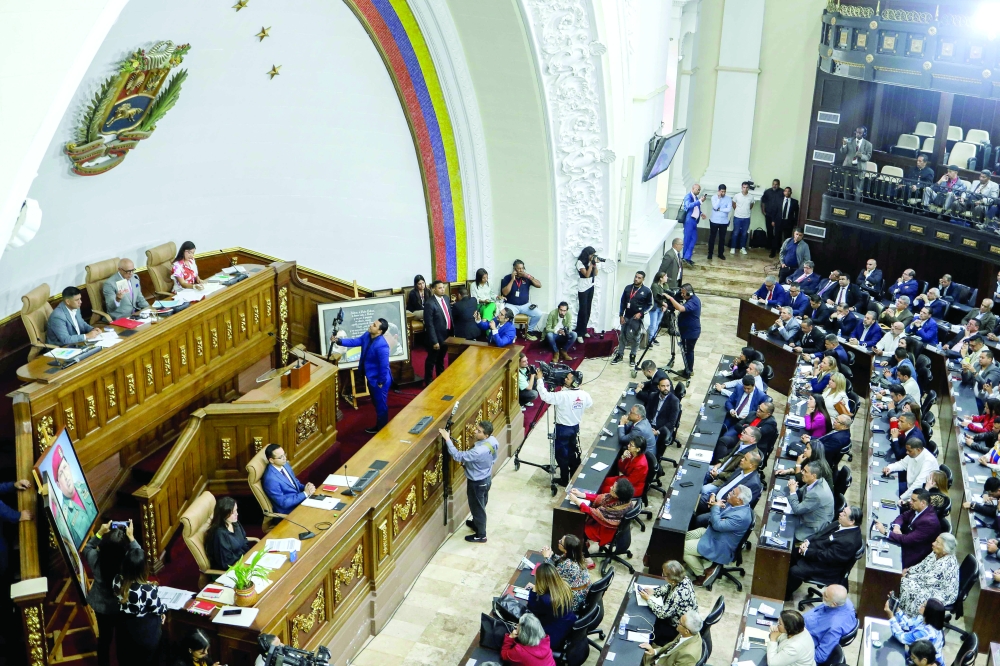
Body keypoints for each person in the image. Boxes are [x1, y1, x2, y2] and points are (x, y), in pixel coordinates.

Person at [84, 521, 135, 666]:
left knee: (104, 639)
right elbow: (139, 554)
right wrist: (131, 538)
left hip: (102, 607)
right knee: (122, 639)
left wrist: (100, 532)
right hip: (121, 605)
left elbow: (88, 547)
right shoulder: (128, 561)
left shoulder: (95, 558)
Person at [440, 421, 498, 543]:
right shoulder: (493, 441)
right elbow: (493, 458)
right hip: (486, 478)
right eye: (477, 429)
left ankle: (481, 535)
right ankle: (476, 523)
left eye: (479, 431)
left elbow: (457, 456)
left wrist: (447, 439)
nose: (475, 432)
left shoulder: (478, 451)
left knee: (477, 509)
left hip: (477, 483)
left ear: (486, 435)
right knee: (481, 504)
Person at [786, 507, 862, 598]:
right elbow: (820, 534)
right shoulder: (840, 523)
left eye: (844, 514)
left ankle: (785, 594)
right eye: (842, 511)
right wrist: (807, 541)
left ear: (851, 521)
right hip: (817, 551)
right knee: (792, 549)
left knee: (795, 571)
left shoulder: (849, 542)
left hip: (825, 568)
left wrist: (807, 551)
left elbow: (827, 557)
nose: (840, 513)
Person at [536, 366, 593, 486]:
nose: (565, 379)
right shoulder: (584, 395)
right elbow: (589, 404)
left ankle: (564, 479)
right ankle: (573, 476)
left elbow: (545, 396)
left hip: (562, 429)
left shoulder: (562, 396)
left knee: (561, 455)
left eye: (568, 378)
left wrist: (540, 380)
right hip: (575, 428)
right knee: (572, 452)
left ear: (575, 382)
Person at [683, 485, 752, 582]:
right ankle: (701, 562)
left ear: (739, 500)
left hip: (718, 544)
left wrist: (715, 507)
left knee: (682, 547)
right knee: (682, 537)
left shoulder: (740, 517)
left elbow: (717, 525)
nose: (729, 493)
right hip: (713, 533)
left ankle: (702, 574)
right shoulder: (736, 505)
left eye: (733, 493)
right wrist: (717, 511)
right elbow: (716, 520)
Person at [337, 319, 392, 433]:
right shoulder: (367, 335)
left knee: (381, 406)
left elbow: (384, 366)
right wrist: (339, 341)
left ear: (380, 331)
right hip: (371, 378)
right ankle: (381, 426)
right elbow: (355, 341)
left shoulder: (382, 346)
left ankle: (382, 430)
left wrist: (380, 382)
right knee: (376, 403)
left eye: (374, 325)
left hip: (379, 380)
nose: (371, 325)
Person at [113, 547, 166, 660]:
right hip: (143, 634)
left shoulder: (116, 580)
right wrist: (164, 609)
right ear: (144, 568)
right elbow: (158, 609)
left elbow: (131, 587)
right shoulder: (148, 590)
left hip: (124, 629)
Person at [874, 488, 941, 568]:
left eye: (913, 500)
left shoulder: (929, 522)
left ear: (923, 503)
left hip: (912, 554)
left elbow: (908, 540)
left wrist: (885, 532)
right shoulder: (919, 508)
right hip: (904, 541)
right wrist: (896, 527)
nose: (910, 502)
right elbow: (903, 516)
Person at [567, 478, 633, 557]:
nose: (610, 488)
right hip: (616, 529)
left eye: (613, 488)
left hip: (606, 531)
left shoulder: (616, 510)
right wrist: (581, 494)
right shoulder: (625, 500)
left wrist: (577, 501)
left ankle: (586, 556)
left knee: (578, 529)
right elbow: (600, 498)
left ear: (617, 495)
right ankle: (584, 544)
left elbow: (594, 513)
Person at [637, 560, 698, 643]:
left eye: (664, 574)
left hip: (678, 627)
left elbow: (662, 614)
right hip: (688, 617)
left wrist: (648, 599)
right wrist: (655, 591)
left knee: (647, 627)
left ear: (672, 579)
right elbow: (670, 585)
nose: (662, 575)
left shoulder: (677, 594)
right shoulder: (684, 578)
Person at [695, 450, 763, 521]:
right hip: (714, 498)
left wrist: (717, 506)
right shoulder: (740, 469)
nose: (741, 459)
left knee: (700, 519)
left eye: (745, 459)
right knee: (695, 500)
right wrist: (713, 494)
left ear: (751, 465)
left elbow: (740, 505)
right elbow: (725, 484)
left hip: (723, 510)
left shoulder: (754, 484)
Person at [52, 444, 98, 547]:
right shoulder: (65, 519)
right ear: (58, 485)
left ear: (69, 466)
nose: (66, 475)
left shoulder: (83, 486)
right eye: (61, 474)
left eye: (65, 467)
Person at [803, 585, 856, 664]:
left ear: (834, 604)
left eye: (826, 596)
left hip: (805, 641)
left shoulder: (834, 628)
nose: (822, 594)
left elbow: (820, 656)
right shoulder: (844, 601)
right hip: (802, 625)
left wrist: (799, 655)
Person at [886, 598, 946, 664]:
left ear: (929, 612)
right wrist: (897, 609)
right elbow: (907, 624)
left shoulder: (926, 633)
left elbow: (902, 637)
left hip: (925, 663)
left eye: (924, 605)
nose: (921, 605)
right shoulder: (923, 619)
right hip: (918, 657)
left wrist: (891, 617)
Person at [786, 461, 835, 541]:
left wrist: (792, 491)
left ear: (813, 476)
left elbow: (797, 510)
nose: (802, 472)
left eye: (805, 471)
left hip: (813, 527)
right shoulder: (817, 480)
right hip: (809, 515)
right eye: (803, 470)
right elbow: (803, 491)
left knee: (787, 533)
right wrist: (795, 487)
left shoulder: (816, 494)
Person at [540, 534, 590, 611]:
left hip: (572, 601)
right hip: (581, 592)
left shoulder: (568, 565)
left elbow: (550, 575)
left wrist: (546, 557)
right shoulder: (576, 555)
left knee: (542, 592)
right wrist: (552, 554)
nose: (559, 541)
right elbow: (560, 560)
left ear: (566, 550)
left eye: (561, 542)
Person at [612, 271, 653, 366]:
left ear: (643, 279)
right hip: (627, 316)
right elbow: (622, 302)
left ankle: (633, 356)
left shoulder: (647, 291)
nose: (636, 279)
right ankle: (620, 355)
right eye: (635, 277)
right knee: (622, 336)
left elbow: (650, 305)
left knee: (635, 337)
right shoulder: (628, 288)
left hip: (637, 318)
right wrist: (621, 315)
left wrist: (641, 313)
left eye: (639, 278)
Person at [261, 444, 315, 514]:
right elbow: (283, 503)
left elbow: (295, 482)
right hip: (290, 511)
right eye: (281, 457)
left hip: (299, 500)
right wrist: (305, 493)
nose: (284, 458)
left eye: (284, 454)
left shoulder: (285, 464)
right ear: (271, 460)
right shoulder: (271, 479)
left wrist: (307, 487)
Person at [638, 611, 704, 666]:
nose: (677, 622)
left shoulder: (688, 655)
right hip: (658, 658)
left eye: (680, 623)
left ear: (686, 631)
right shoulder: (690, 632)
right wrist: (654, 651)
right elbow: (672, 646)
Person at [664, 284, 701, 379]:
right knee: (687, 351)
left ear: (689, 293)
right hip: (687, 331)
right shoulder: (690, 299)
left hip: (690, 332)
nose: (682, 295)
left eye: (683, 293)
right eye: (681, 293)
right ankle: (688, 369)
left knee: (688, 352)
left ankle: (687, 373)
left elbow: (681, 308)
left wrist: (670, 298)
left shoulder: (693, 302)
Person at [500, 259, 543, 338]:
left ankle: (529, 331)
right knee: (508, 316)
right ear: (514, 269)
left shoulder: (526, 278)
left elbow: (539, 285)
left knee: (538, 313)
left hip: (525, 305)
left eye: (522, 268)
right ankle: (511, 334)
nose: (521, 270)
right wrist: (512, 280)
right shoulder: (507, 278)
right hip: (511, 305)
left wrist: (529, 277)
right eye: (519, 268)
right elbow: (505, 293)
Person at [205, 497, 252, 569]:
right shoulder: (220, 534)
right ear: (224, 514)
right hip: (232, 568)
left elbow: (244, 541)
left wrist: (250, 555)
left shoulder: (234, 523)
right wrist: (245, 560)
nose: (237, 514)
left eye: (236, 510)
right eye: (233, 512)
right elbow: (227, 562)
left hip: (243, 561)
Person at [423, 280, 453, 385]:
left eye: (443, 287)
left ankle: (441, 377)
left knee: (441, 358)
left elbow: (449, 315)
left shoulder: (446, 298)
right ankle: (428, 381)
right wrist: (434, 341)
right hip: (436, 336)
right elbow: (429, 324)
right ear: (433, 289)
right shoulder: (429, 303)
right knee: (432, 359)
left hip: (446, 334)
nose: (442, 289)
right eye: (440, 288)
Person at [647, 376, 680, 459]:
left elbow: (672, 423)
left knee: (649, 446)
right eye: (663, 386)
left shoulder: (674, 401)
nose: (666, 388)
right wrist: (648, 426)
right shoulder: (653, 396)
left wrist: (657, 432)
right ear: (658, 387)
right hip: (651, 426)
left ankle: (653, 459)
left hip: (663, 429)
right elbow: (647, 413)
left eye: (668, 386)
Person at [576, 246, 602, 337]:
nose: (593, 256)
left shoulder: (591, 262)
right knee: (583, 311)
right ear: (587, 254)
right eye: (592, 255)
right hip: (583, 288)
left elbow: (596, 274)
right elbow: (586, 275)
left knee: (588, 310)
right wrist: (591, 264)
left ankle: (584, 330)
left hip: (591, 286)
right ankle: (579, 333)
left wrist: (594, 265)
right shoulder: (580, 262)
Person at [680, 184, 707, 265]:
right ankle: (685, 257)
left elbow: (696, 208)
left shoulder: (696, 197)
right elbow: (688, 205)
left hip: (694, 221)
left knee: (694, 239)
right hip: (689, 220)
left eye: (699, 190)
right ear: (693, 188)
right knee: (687, 239)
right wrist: (699, 201)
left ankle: (687, 257)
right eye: (698, 189)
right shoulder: (688, 196)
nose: (699, 191)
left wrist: (701, 213)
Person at [707, 184, 732, 261]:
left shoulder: (728, 199)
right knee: (712, 237)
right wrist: (719, 198)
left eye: (724, 191)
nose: (723, 193)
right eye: (721, 191)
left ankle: (720, 254)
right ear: (718, 191)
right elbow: (715, 207)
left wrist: (720, 209)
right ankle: (710, 253)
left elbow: (728, 209)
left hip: (724, 222)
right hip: (714, 220)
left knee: (722, 238)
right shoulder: (714, 197)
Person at [761, 179, 784, 257]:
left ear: (779, 185)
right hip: (769, 214)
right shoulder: (767, 192)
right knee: (769, 231)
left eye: (776, 184)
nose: (774, 186)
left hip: (778, 216)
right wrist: (763, 211)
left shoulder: (782, 192)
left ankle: (777, 247)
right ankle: (770, 246)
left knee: (778, 232)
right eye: (773, 184)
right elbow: (763, 202)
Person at [730, 181, 755, 254]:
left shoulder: (751, 197)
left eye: (747, 187)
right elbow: (733, 204)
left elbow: (751, 205)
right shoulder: (737, 196)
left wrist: (746, 211)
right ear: (741, 188)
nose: (745, 189)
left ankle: (742, 248)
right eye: (744, 187)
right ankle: (733, 247)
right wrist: (738, 210)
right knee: (735, 233)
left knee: (744, 233)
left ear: (748, 188)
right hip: (737, 217)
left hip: (746, 218)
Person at [648, 272, 670, 347]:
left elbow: (667, 296)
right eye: (665, 276)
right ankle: (650, 340)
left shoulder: (666, 285)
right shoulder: (655, 285)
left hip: (662, 307)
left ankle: (653, 337)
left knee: (657, 323)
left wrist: (665, 305)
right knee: (653, 324)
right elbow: (656, 297)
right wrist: (663, 304)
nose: (667, 277)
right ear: (660, 278)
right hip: (655, 307)